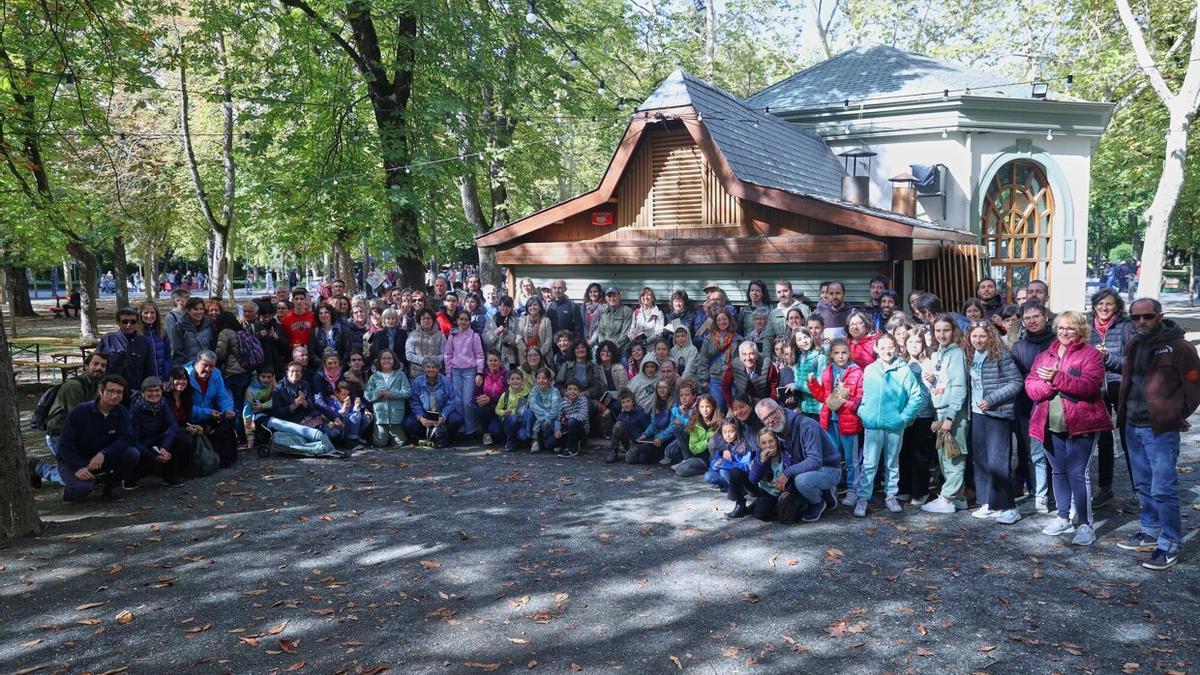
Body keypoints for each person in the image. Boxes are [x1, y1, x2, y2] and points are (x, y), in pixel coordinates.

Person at [1116, 299, 1200, 569]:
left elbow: (1195, 385)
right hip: (1132, 425)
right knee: (1142, 484)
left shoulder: (1180, 347)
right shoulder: (1134, 344)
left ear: (1160, 316)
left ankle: (1170, 543)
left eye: (1148, 316)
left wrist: (1176, 414)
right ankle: (1149, 531)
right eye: (1136, 317)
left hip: (1160, 430)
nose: (1141, 321)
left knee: (1163, 488)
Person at [1025, 311, 1110, 546]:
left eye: (1070, 328)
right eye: (1061, 327)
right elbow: (1031, 385)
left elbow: (1090, 387)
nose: (1064, 332)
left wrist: (1057, 378)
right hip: (1050, 424)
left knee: (1077, 473)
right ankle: (1063, 518)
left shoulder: (1091, 355)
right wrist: (1048, 386)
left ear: (1081, 329)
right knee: (1058, 472)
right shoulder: (1044, 355)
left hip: (1082, 424)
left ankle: (1085, 524)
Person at [853, 333, 924, 517]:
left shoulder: (904, 370)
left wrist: (904, 418)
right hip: (872, 424)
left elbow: (916, 396)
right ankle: (863, 498)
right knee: (869, 463)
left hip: (894, 425)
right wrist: (863, 412)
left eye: (890, 347)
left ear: (896, 348)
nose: (887, 351)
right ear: (876, 349)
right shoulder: (870, 369)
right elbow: (863, 393)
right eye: (883, 347)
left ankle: (891, 495)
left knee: (892, 463)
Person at [965, 321, 1024, 524]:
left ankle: (1008, 507)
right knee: (981, 459)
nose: (978, 340)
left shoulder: (1001, 354)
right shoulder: (970, 355)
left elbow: (1016, 382)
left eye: (982, 336)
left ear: (990, 336)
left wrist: (992, 399)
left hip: (996, 413)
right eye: (974, 336)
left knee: (998, 461)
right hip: (976, 413)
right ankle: (988, 503)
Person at [28, 351, 110, 489]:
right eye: (95, 364)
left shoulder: (97, 385)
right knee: (76, 480)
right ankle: (38, 467)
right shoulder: (74, 386)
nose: (99, 368)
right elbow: (78, 419)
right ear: (86, 366)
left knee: (90, 469)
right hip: (59, 434)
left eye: (103, 366)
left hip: (78, 434)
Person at [57, 374, 140, 502]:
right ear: (101, 391)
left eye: (119, 392)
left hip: (101, 458)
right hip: (76, 459)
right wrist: (78, 467)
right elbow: (65, 445)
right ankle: (72, 489)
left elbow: (126, 438)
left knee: (132, 453)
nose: (115, 396)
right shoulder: (79, 412)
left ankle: (111, 487)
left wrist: (104, 453)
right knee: (81, 490)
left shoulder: (122, 411)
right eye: (111, 391)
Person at [1088, 288, 1135, 508]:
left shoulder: (1126, 327)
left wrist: (1108, 357)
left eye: (1109, 304)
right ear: (1094, 306)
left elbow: (1132, 362)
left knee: (1129, 440)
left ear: (1117, 306)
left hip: (1122, 387)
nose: (1104, 308)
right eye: (1100, 304)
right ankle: (1105, 488)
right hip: (1097, 389)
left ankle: (1138, 491)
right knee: (1103, 440)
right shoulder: (1087, 328)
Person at [920, 315, 971, 515]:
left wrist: (950, 417)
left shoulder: (956, 353)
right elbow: (943, 383)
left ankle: (947, 498)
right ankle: (960, 497)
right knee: (944, 455)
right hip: (940, 409)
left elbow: (959, 387)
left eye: (946, 330)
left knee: (953, 455)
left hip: (952, 412)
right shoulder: (938, 353)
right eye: (938, 330)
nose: (942, 335)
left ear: (954, 331)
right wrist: (932, 380)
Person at [807, 338, 863, 505]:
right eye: (837, 353)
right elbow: (823, 397)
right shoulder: (828, 371)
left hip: (848, 422)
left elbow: (860, 398)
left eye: (844, 352)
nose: (841, 356)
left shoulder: (856, 372)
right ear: (831, 354)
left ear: (849, 354)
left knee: (851, 459)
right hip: (830, 421)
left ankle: (853, 489)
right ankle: (833, 486)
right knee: (833, 458)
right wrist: (812, 384)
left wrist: (847, 402)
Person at [1011, 301, 1054, 513]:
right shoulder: (1018, 347)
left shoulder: (1057, 341)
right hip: (1027, 405)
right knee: (1032, 453)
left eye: (1036, 316)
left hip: (1055, 404)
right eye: (1027, 318)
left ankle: (1058, 494)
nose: (1032, 321)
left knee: (1055, 451)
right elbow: (1014, 377)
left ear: (1045, 316)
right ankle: (1039, 493)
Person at [127, 376, 186, 488]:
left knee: (180, 437)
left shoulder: (163, 403)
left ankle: (169, 476)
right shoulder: (135, 409)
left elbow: (172, 425)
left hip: (158, 440)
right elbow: (134, 440)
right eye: (150, 391)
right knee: (134, 452)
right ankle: (131, 477)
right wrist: (154, 456)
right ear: (143, 393)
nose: (154, 394)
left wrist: (164, 447)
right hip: (143, 444)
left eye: (157, 390)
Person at [900, 332, 936, 505]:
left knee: (920, 455)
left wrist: (913, 414)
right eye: (910, 342)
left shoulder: (927, 363)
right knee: (905, 452)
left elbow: (925, 393)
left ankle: (921, 491)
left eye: (918, 341)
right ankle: (905, 488)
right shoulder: (903, 363)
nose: (914, 345)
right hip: (906, 416)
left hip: (922, 416)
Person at [185, 351, 238, 468]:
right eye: (205, 365)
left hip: (210, 416)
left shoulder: (216, 374)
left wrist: (227, 410)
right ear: (197, 362)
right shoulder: (185, 375)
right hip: (190, 418)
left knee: (228, 424)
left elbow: (222, 396)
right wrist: (208, 412)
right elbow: (185, 407)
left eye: (211, 366)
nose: (208, 370)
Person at [98, 307, 155, 404]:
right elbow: (98, 365)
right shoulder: (108, 340)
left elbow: (149, 370)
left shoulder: (144, 342)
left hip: (135, 394)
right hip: (111, 393)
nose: (129, 325)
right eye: (124, 322)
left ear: (137, 323)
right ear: (118, 322)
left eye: (133, 322)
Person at [444, 310, 485, 439]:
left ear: (469, 321)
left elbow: (479, 355)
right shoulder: (453, 335)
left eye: (466, 319)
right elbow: (448, 355)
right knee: (458, 401)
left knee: (468, 402)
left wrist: (479, 372)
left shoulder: (474, 336)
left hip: (470, 371)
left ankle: (471, 429)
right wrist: (448, 374)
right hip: (456, 371)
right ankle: (461, 429)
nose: (463, 322)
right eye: (461, 319)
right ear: (457, 320)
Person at [405, 361, 463, 447]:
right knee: (409, 423)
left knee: (457, 419)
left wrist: (443, 416)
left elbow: (451, 400)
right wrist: (421, 417)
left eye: (434, 367)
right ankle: (423, 438)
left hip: (441, 413)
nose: (431, 369)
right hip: (424, 414)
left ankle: (448, 438)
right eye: (428, 367)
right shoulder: (417, 382)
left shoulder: (446, 381)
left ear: (438, 369)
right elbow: (414, 401)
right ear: (424, 369)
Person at [363, 350, 411, 447]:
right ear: (379, 361)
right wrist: (376, 394)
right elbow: (367, 394)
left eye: (389, 358)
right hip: (381, 416)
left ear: (394, 360)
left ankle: (395, 436)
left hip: (396, 416)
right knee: (380, 443)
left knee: (400, 443)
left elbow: (408, 392)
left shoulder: (400, 375)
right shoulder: (374, 376)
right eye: (383, 358)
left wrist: (393, 394)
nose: (386, 360)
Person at [697, 309, 739, 412]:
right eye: (719, 320)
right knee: (718, 409)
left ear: (729, 320)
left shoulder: (737, 339)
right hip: (715, 379)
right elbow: (703, 360)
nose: (722, 322)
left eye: (724, 319)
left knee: (733, 409)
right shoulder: (709, 339)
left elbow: (739, 362)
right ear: (715, 322)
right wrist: (703, 379)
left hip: (731, 380)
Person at [628, 379, 676, 464]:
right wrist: (645, 434)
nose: (661, 390)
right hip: (656, 437)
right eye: (659, 387)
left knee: (645, 451)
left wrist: (661, 438)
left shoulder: (674, 405)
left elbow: (673, 426)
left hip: (667, 438)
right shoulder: (656, 404)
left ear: (669, 389)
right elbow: (653, 424)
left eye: (664, 387)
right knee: (639, 457)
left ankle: (662, 455)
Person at [722, 341, 779, 409]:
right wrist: (730, 405)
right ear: (740, 357)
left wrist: (770, 403)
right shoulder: (734, 365)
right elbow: (725, 385)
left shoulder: (767, 364)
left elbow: (774, 385)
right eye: (744, 354)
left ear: (756, 355)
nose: (748, 358)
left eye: (751, 354)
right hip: (742, 402)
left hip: (763, 402)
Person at [704, 417, 753, 490]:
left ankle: (738, 488)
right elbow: (714, 462)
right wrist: (716, 464)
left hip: (740, 475)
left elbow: (745, 467)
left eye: (731, 431)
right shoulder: (724, 445)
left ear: (737, 431)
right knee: (708, 475)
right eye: (724, 432)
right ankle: (730, 487)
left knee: (723, 471)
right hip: (724, 472)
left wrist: (726, 464)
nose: (727, 435)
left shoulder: (744, 446)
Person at [791, 328, 826, 421]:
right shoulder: (797, 360)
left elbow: (820, 384)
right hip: (805, 408)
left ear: (811, 337)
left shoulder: (820, 358)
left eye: (806, 337)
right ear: (795, 343)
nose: (804, 341)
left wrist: (798, 386)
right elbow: (797, 380)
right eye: (800, 339)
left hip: (818, 408)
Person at [605, 388, 648, 463]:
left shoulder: (640, 414)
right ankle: (613, 452)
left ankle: (636, 454)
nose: (626, 404)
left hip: (638, 442)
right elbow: (618, 432)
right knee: (618, 425)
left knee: (629, 459)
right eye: (623, 402)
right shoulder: (622, 415)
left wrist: (644, 436)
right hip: (628, 441)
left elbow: (648, 428)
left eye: (628, 401)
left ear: (633, 402)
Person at [493, 369, 531, 452]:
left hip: (521, 421)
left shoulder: (527, 395)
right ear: (508, 381)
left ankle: (522, 439)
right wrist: (503, 412)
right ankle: (510, 441)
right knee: (513, 418)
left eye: (518, 379)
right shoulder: (505, 395)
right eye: (512, 379)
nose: (515, 381)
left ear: (523, 381)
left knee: (523, 437)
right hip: (509, 421)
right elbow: (497, 408)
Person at [526, 367, 561, 453]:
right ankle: (535, 441)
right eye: (538, 378)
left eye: (544, 378)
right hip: (540, 416)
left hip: (552, 419)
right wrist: (545, 415)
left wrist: (548, 417)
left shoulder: (554, 391)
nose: (541, 381)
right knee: (529, 412)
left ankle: (556, 442)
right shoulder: (534, 390)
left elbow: (555, 410)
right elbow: (533, 405)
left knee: (548, 444)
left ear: (549, 380)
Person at [170, 297, 213, 366]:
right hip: (189, 367)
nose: (199, 312)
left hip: (207, 366)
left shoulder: (209, 324)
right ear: (188, 310)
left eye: (201, 309)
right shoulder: (179, 327)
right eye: (195, 309)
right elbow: (177, 352)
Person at [552, 380, 589, 457]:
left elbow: (582, 416)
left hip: (581, 430)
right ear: (566, 391)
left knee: (572, 421)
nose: (572, 391)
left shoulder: (583, 400)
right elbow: (558, 419)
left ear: (579, 392)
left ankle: (572, 449)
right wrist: (557, 429)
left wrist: (567, 417)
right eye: (570, 389)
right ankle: (564, 445)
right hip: (568, 429)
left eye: (575, 389)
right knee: (550, 443)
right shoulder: (563, 403)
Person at [406, 309, 447, 378]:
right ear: (419, 321)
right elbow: (409, 355)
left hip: (435, 373)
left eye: (428, 318)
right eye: (423, 319)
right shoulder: (413, 335)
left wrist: (433, 361)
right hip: (416, 373)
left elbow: (444, 354)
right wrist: (424, 360)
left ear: (433, 320)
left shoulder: (440, 335)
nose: (426, 321)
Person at [138, 301, 172, 381]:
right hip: (145, 381)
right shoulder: (137, 334)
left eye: (152, 313)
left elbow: (168, 357)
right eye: (146, 313)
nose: (149, 315)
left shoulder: (162, 333)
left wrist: (166, 376)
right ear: (140, 315)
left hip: (162, 379)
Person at [483, 296, 521, 368]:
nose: (505, 309)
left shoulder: (516, 321)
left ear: (511, 308)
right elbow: (486, 340)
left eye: (508, 307)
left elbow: (518, 342)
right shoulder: (491, 320)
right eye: (503, 306)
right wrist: (496, 331)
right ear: (499, 306)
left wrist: (507, 334)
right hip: (494, 359)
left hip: (510, 359)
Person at [593, 287, 633, 352]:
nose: (612, 298)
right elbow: (600, 332)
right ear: (606, 298)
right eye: (609, 296)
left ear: (619, 297)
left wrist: (612, 348)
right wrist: (603, 346)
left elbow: (625, 334)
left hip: (620, 349)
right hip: (604, 349)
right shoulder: (604, 313)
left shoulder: (627, 311)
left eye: (614, 296)